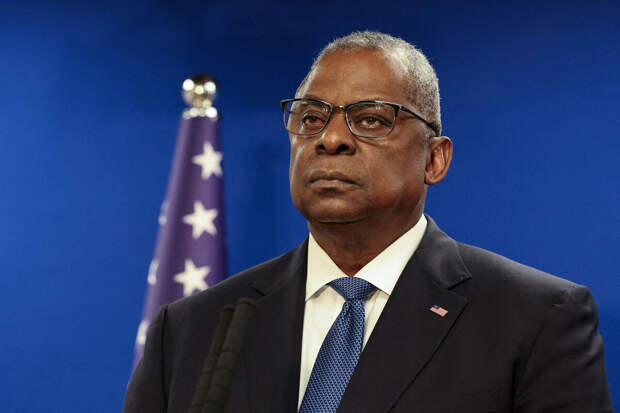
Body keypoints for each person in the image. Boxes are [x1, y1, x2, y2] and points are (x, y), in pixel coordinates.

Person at [123, 31, 613, 413]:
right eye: (311, 118)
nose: (330, 139)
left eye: (371, 119)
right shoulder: (189, 329)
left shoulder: (536, 318)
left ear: (434, 159)